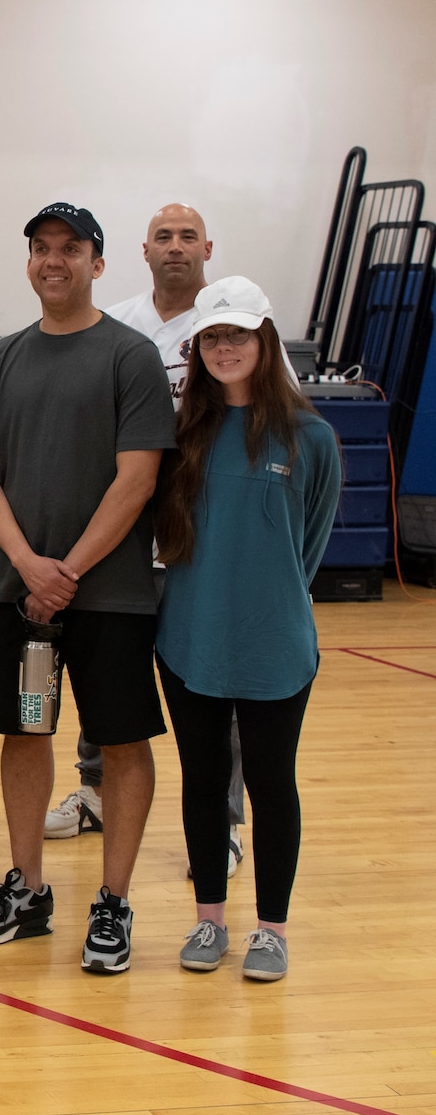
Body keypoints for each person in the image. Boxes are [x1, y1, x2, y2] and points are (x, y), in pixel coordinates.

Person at [0, 204, 175, 975]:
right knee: (26, 732)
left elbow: (138, 478)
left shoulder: (130, 356)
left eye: (70, 249)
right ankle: (28, 890)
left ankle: (113, 900)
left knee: (121, 741)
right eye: (42, 249)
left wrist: (69, 570)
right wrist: (29, 566)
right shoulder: (8, 358)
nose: (54, 260)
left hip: (109, 597)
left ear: (98, 263)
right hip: (23, 597)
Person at [154, 278, 338, 982]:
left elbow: (310, 542)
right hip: (188, 638)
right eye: (213, 337)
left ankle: (271, 930)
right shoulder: (182, 435)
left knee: (270, 782)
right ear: (198, 349)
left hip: (276, 642)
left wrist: (268, 597)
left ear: (265, 341)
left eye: (239, 334)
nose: (226, 347)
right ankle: (209, 920)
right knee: (203, 780)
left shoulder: (310, 436)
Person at [55, 205, 247, 866]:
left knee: (211, 674)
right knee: (103, 659)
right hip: (126, 519)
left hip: (200, 523)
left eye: (187, 236)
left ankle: (219, 824)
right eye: (163, 237)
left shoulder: (227, 329)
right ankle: (93, 793)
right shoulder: (121, 325)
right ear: (143, 251)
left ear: (208, 247)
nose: (175, 247)